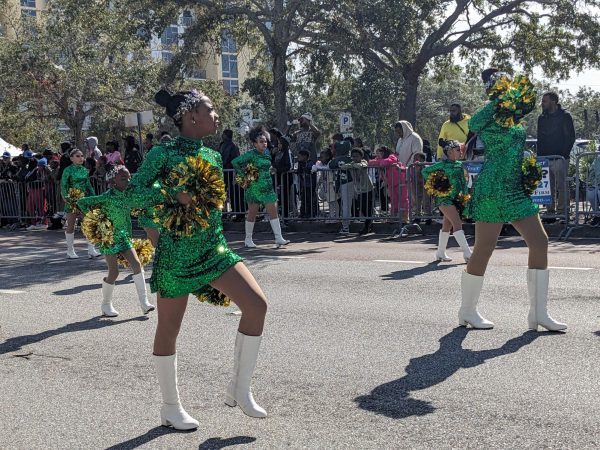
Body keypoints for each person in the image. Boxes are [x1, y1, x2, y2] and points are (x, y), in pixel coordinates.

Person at [127, 88, 270, 430]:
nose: (216, 115)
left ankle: (240, 388)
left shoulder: (214, 156)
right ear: (191, 116)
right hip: (177, 254)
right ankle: (170, 407)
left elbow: (212, 205)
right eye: (211, 109)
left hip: (214, 248)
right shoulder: (162, 153)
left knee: (257, 305)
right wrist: (171, 194)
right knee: (168, 330)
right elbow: (134, 192)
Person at [460, 68, 566, 332]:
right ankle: (467, 311)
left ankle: (538, 313)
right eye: (500, 84)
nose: (506, 87)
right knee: (485, 248)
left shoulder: (514, 115)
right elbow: (473, 125)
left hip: (515, 189)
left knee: (540, 241)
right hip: (493, 188)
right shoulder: (489, 112)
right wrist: (497, 98)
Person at [77, 165, 155, 317]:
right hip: (109, 238)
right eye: (123, 179)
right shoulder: (107, 196)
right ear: (113, 182)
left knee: (137, 264)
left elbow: (142, 202)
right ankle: (106, 304)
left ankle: (144, 303)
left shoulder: (128, 195)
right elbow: (82, 203)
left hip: (124, 237)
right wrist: (96, 220)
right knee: (114, 272)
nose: (128, 181)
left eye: (128, 178)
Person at [232, 126, 290, 248]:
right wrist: (243, 174)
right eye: (261, 142)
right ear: (254, 144)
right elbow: (235, 162)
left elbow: (267, 165)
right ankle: (248, 239)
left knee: (273, 211)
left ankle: (278, 238)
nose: (264, 143)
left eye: (265, 141)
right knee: (252, 213)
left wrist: (271, 169)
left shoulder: (267, 153)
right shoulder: (250, 154)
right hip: (254, 187)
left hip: (268, 186)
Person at [422, 140, 472, 262]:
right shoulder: (442, 165)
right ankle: (467, 253)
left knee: (447, 225)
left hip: (456, 199)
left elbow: (463, 183)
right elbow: (424, 171)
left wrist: (465, 198)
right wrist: (436, 184)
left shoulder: (460, 165)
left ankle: (440, 252)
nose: (460, 152)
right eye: (458, 150)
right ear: (449, 152)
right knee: (457, 223)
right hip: (444, 199)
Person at [536, 92, 575, 222]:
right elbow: (540, 138)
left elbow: (570, 137)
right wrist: (540, 157)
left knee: (562, 186)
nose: (542, 103)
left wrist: (563, 154)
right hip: (545, 158)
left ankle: (563, 213)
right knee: (548, 187)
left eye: (545, 101)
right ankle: (550, 213)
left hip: (560, 158)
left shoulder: (565, 116)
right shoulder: (542, 118)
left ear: (553, 101)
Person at [60, 148, 102, 259]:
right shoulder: (67, 170)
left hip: (84, 200)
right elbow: (63, 185)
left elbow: (88, 185)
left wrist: (94, 198)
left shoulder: (84, 170)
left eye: (82, 156)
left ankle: (91, 249)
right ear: (71, 158)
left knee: (89, 222)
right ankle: (70, 250)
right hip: (72, 199)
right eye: (77, 156)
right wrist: (66, 197)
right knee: (71, 225)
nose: (80, 158)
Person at [368, 146, 408, 222]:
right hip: (391, 183)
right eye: (378, 152)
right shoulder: (380, 159)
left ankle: (405, 217)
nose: (379, 154)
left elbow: (386, 162)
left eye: (381, 152)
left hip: (400, 181)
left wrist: (378, 162)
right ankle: (394, 216)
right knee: (393, 200)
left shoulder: (392, 156)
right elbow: (370, 162)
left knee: (403, 199)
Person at [339, 148, 374, 234]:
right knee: (362, 208)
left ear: (361, 156)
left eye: (357, 156)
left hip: (368, 189)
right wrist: (352, 165)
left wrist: (352, 165)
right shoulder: (352, 163)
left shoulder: (363, 162)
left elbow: (361, 166)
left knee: (368, 208)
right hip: (359, 190)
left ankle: (367, 226)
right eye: (353, 156)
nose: (355, 158)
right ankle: (368, 224)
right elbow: (342, 167)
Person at [218, 129, 244, 216]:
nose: (222, 136)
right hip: (222, 173)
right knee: (221, 193)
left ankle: (236, 212)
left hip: (230, 173)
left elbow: (236, 160)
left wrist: (236, 173)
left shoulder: (233, 147)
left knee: (234, 194)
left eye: (224, 134)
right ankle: (223, 212)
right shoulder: (221, 145)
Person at [25, 157, 52, 230]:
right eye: (38, 165)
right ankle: (33, 223)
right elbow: (27, 178)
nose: (38, 167)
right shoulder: (35, 170)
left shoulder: (47, 171)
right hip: (32, 189)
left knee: (41, 207)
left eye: (40, 165)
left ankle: (44, 223)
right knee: (29, 207)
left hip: (40, 190)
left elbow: (49, 179)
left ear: (44, 166)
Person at [271, 134, 293, 219]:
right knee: (278, 198)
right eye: (278, 143)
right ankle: (279, 215)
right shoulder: (279, 153)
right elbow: (273, 162)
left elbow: (288, 166)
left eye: (280, 143)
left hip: (285, 179)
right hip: (277, 179)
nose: (279, 145)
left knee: (284, 198)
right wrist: (273, 154)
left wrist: (278, 170)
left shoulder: (287, 152)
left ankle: (285, 217)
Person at [313, 148, 339, 220]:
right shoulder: (322, 165)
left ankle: (335, 217)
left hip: (331, 185)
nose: (320, 159)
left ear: (327, 157)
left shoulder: (331, 163)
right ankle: (333, 217)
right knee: (330, 201)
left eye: (322, 157)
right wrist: (318, 185)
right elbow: (321, 176)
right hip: (326, 185)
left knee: (333, 202)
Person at [296, 149, 318, 218]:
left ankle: (311, 213)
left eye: (300, 156)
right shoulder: (301, 164)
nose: (298, 158)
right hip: (305, 185)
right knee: (303, 200)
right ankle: (303, 213)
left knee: (310, 200)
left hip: (311, 185)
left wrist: (305, 169)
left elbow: (310, 170)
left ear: (305, 156)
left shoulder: (310, 163)